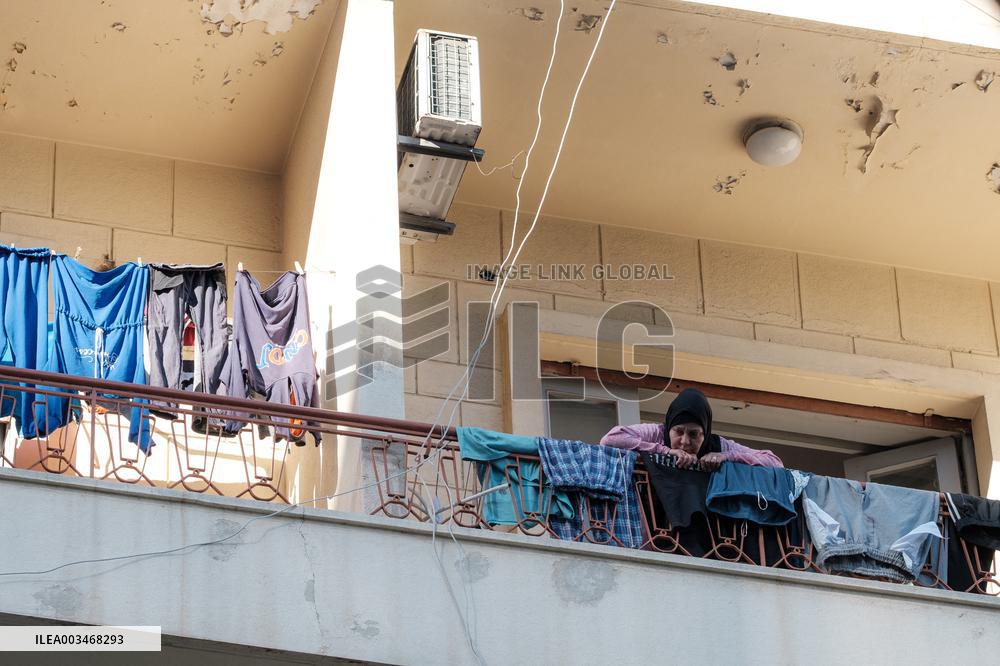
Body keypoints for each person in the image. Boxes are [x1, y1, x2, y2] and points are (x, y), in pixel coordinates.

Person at [599, 387, 783, 471]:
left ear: (705, 433)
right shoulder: (657, 433)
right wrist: (665, 451)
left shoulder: (718, 445)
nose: (685, 441)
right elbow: (611, 439)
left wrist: (726, 457)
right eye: (678, 431)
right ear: (669, 427)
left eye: (694, 434)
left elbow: (774, 463)